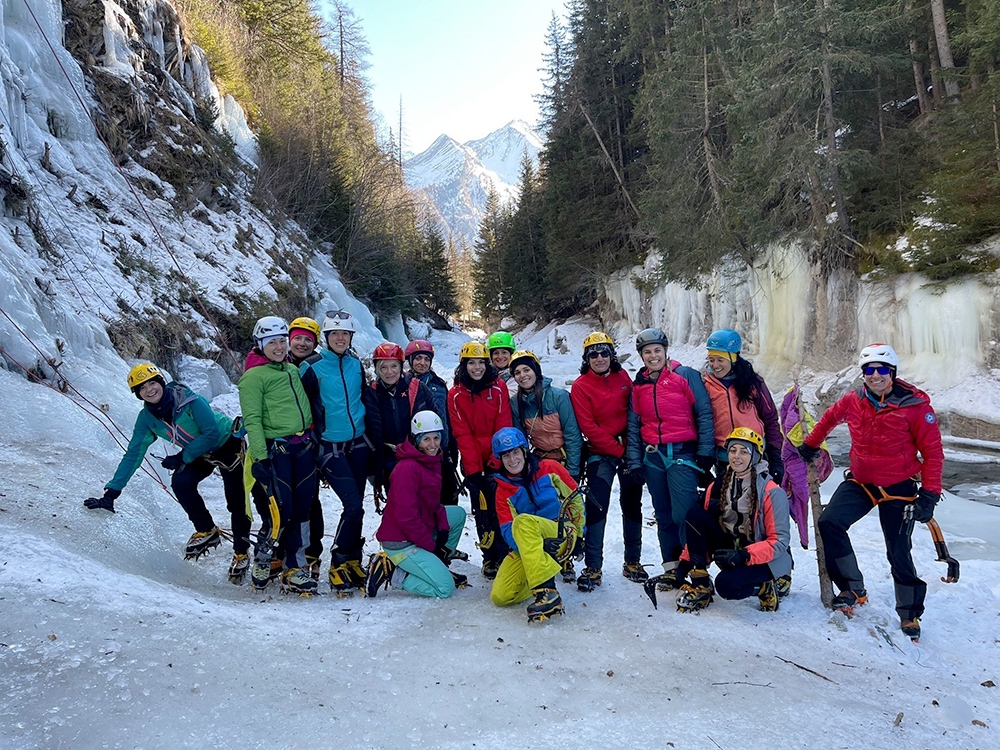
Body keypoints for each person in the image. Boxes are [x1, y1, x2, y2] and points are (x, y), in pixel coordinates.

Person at [799, 343, 943, 641]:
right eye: (869, 370)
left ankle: (909, 613)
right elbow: (828, 419)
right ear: (863, 373)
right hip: (862, 481)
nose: (875, 375)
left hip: (899, 487)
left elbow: (933, 453)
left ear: (892, 373)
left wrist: (929, 494)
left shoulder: (916, 408)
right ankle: (852, 587)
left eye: (881, 370)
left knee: (898, 550)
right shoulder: (854, 400)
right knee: (830, 522)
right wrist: (811, 444)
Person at [85, 363, 254, 583]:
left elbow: (211, 434)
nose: (149, 389)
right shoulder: (147, 419)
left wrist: (182, 457)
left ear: (161, 383)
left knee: (236, 501)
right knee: (181, 482)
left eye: (152, 383)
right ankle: (206, 530)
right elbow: (134, 453)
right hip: (200, 453)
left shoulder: (190, 401)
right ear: (138, 394)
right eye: (142, 388)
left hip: (227, 444)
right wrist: (111, 493)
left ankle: (241, 552)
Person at [626, 327, 715, 592]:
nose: (653, 356)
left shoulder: (684, 375)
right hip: (653, 456)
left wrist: (706, 451)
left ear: (665, 351)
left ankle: (698, 568)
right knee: (663, 514)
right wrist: (634, 461)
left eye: (657, 351)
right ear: (641, 356)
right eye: (647, 352)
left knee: (684, 514)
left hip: (681, 454)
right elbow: (633, 425)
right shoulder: (639, 384)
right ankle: (672, 567)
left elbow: (704, 412)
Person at [237, 316, 318, 595]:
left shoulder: (291, 371)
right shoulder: (252, 378)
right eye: (272, 342)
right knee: (279, 511)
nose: (280, 347)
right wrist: (259, 458)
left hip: (303, 447)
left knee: (302, 509)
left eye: (282, 341)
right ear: (260, 345)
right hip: (277, 451)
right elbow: (253, 419)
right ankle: (264, 558)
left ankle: (296, 566)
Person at [675, 428, 792, 613]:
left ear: (755, 456)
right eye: (732, 450)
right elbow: (700, 530)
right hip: (731, 548)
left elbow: (779, 542)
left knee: (726, 586)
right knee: (695, 515)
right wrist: (685, 562)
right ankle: (701, 584)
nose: (736, 456)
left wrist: (744, 555)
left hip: (761, 557)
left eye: (744, 451)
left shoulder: (772, 492)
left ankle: (764, 587)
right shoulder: (717, 486)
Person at [298, 310, 371, 595]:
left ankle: (352, 558)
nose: (340, 338)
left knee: (357, 508)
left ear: (351, 337)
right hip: (329, 447)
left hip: (358, 444)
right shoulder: (311, 367)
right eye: (335, 334)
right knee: (352, 505)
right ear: (326, 338)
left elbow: (363, 397)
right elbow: (299, 406)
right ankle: (339, 561)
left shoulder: (355, 364)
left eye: (345, 334)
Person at [570, 332, 647, 592]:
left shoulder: (622, 377)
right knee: (597, 506)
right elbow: (588, 427)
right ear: (586, 358)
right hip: (601, 451)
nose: (600, 358)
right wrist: (618, 449)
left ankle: (632, 561)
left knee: (631, 503)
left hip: (627, 448)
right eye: (594, 354)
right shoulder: (581, 386)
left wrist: (629, 446)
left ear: (611, 355)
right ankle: (593, 565)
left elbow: (633, 412)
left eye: (604, 353)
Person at [364, 411, 469, 598]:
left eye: (436, 438)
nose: (433, 444)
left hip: (418, 530)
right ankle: (393, 572)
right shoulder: (407, 469)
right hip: (400, 542)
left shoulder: (430, 460)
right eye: (426, 439)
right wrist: (431, 545)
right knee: (445, 589)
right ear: (416, 440)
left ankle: (434, 567)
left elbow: (433, 503)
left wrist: (443, 528)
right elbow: (407, 518)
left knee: (457, 515)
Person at [490, 427, 584, 623]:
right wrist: (538, 549)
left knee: (522, 521)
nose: (512, 459)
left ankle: (546, 591)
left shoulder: (550, 467)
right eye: (506, 455)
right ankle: (543, 569)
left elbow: (575, 500)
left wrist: (579, 534)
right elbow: (508, 531)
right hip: (531, 543)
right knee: (501, 597)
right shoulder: (502, 490)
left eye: (515, 451)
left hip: (559, 532)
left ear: (524, 451)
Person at [508, 349, 583, 582]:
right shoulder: (516, 403)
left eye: (526, 370)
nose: (522, 375)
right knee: (545, 509)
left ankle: (568, 554)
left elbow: (572, 434)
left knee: (567, 509)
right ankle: (550, 553)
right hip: (539, 462)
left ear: (536, 371)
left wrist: (573, 469)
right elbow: (519, 439)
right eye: (517, 372)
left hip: (562, 459)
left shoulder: (558, 396)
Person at [447, 341, 513, 579]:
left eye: (481, 363)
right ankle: (489, 557)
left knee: (503, 509)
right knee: (482, 510)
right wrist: (474, 470)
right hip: (473, 461)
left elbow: (503, 423)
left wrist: (497, 460)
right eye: (471, 363)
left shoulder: (499, 388)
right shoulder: (455, 394)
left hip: (499, 459)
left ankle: (506, 554)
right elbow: (461, 433)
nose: (477, 368)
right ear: (464, 366)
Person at [702, 329, 784, 485]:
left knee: (755, 503)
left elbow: (770, 418)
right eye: (711, 360)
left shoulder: (752, 382)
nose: (715, 365)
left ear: (733, 359)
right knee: (727, 504)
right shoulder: (705, 385)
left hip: (755, 455)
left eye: (720, 359)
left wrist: (775, 455)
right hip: (723, 458)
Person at [362, 343, 438, 498]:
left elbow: (437, 421)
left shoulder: (418, 389)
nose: (389, 372)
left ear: (401, 366)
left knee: (425, 502)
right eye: (384, 367)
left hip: (419, 456)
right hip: (390, 460)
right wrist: (374, 469)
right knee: (397, 504)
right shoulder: (371, 394)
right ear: (377, 369)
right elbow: (369, 432)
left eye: (394, 366)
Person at [286, 316, 325, 577]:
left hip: (311, 440)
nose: (302, 343)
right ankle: (285, 549)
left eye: (307, 340)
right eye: (297, 338)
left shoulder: (320, 367)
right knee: (282, 497)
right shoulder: (277, 364)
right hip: (281, 441)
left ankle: (311, 551)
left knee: (310, 499)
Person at [405, 339, 460, 506]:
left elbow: (447, 416)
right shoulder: (403, 383)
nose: (422, 363)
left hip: (441, 448)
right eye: (418, 358)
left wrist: (451, 445)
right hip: (416, 449)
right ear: (410, 360)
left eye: (427, 359)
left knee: (448, 495)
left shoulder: (439, 384)